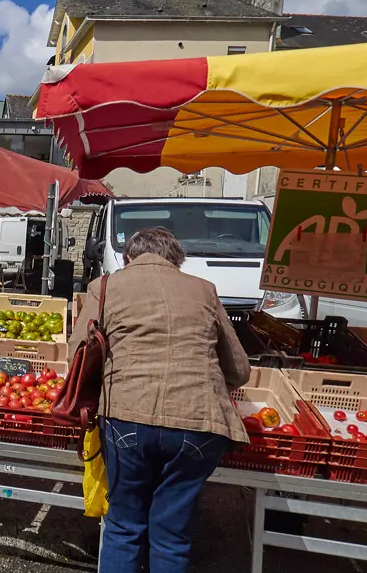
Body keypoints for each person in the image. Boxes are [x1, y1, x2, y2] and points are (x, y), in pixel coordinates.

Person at [68, 227, 250, 573]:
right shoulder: (204, 290)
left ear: (128, 258)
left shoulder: (105, 287)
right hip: (199, 424)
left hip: (127, 418)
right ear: (177, 261)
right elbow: (240, 370)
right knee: (172, 533)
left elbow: (76, 355)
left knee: (123, 526)